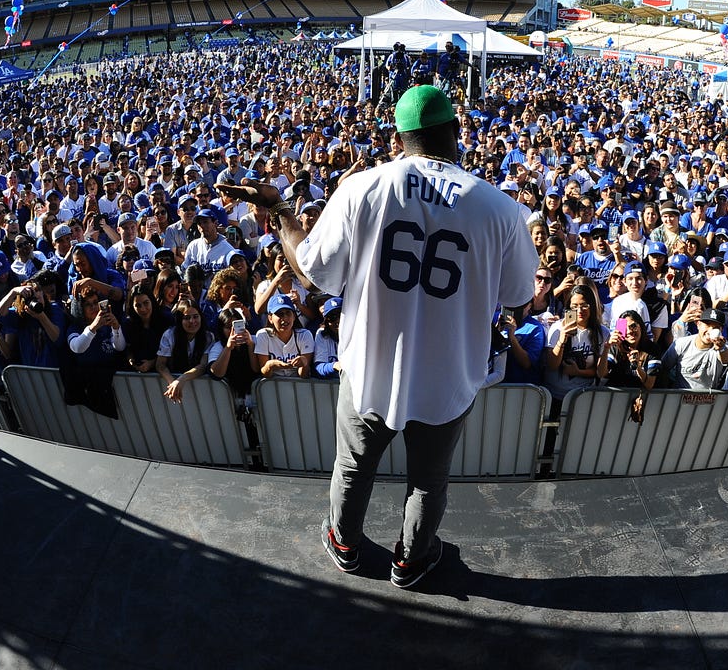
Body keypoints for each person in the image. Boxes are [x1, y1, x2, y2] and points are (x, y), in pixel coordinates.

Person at [222, 85, 535, 589]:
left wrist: (280, 210)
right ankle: (411, 561)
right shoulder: (499, 208)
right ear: (455, 133)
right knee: (428, 483)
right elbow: (520, 295)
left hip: (369, 367)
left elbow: (310, 273)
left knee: (352, 466)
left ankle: (344, 542)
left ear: (399, 138)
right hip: (448, 375)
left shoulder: (361, 188)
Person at [660, 308, 728, 390]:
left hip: (708, 399)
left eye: (715, 327)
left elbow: (726, 359)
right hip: (680, 397)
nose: (710, 330)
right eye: (707, 325)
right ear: (698, 324)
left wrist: (721, 348)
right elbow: (663, 368)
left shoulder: (722, 345)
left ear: (721, 330)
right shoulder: (681, 343)